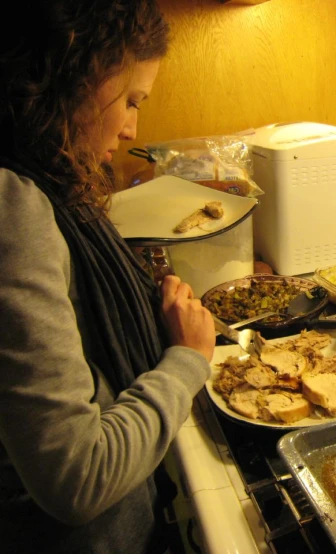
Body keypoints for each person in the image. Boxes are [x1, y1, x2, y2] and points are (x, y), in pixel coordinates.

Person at [0, 1, 216, 553]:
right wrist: (188, 359)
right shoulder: (14, 208)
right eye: (130, 100)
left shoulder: (41, 176)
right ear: (76, 75)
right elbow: (78, 476)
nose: (130, 128)